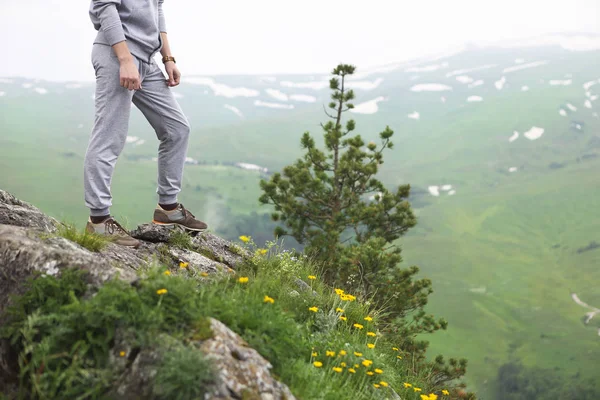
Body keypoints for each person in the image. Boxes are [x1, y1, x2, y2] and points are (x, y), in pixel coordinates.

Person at [84, 0, 207, 248]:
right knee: (109, 137)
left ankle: (168, 208)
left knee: (177, 129)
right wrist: (125, 59)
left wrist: (168, 57)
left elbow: (157, 9)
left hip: (147, 59)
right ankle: (98, 221)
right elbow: (104, 7)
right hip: (116, 55)